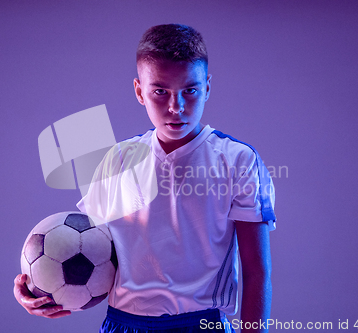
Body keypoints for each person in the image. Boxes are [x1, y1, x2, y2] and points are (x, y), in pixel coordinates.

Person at [14, 24, 276, 333]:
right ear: (140, 91)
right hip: (123, 324)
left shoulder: (237, 160)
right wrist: (36, 287)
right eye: (160, 91)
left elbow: (256, 270)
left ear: (207, 87)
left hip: (200, 324)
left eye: (189, 91)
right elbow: (83, 247)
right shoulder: (118, 159)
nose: (175, 107)